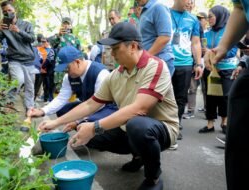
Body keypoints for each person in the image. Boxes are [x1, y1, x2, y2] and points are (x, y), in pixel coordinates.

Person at [38, 22, 179, 190]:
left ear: (133, 46)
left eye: (115, 48)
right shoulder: (116, 75)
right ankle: (139, 156)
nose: (111, 54)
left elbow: (139, 109)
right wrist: (55, 123)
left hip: (161, 128)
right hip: (129, 126)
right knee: (88, 133)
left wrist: (95, 126)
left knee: (137, 125)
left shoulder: (155, 66)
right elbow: (91, 104)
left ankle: (153, 178)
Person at [204, 1, 249, 189]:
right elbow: (241, 8)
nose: (209, 20)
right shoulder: (210, 32)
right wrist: (222, 47)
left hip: (229, 68)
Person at [28, 46, 117, 128]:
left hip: (105, 108)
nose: (66, 72)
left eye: (67, 68)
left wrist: (77, 121)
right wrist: (42, 111)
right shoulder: (69, 77)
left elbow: (98, 105)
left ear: (77, 62)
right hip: (87, 106)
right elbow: (61, 98)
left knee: (87, 124)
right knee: (62, 110)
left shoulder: (100, 73)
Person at [199, 5, 238, 134]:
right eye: (207, 17)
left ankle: (224, 122)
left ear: (220, 16)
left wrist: (214, 53)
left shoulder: (229, 32)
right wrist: (204, 52)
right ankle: (210, 124)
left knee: (225, 97)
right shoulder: (207, 33)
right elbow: (202, 49)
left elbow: (232, 51)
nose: (208, 19)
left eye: (210, 16)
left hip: (227, 69)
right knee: (210, 96)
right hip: (210, 69)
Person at [170, 0, 203, 141]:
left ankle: (175, 128)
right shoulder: (164, 13)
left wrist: (198, 63)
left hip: (185, 64)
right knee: (160, 97)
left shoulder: (193, 19)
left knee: (180, 98)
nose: (189, 2)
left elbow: (196, 42)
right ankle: (160, 127)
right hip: (166, 62)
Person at [0, 1, 36, 112]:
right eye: (4, 11)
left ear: (15, 11)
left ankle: (30, 109)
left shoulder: (26, 24)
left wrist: (19, 31)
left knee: (30, 87)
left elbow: (32, 38)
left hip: (29, 60)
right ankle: (8, 103)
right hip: (14, 59)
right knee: (18, 80)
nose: (7, 13)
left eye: (9, 10)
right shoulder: (3, 26)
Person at [136, 0, 175, 77]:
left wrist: (145, 57)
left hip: (160, 61)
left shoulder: (158, 7)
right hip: (150, 62)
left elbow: (165, 37)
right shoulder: (145, 10)